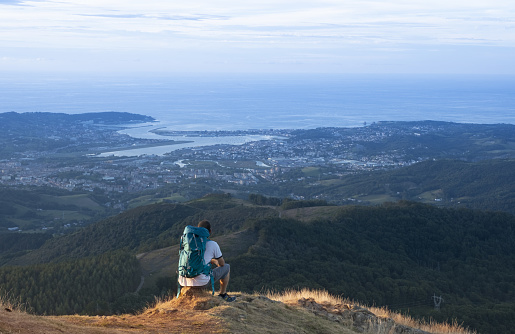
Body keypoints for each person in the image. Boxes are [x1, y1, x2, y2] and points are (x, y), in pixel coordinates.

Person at [178, 220, 235, 302]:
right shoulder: (213, 244)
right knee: (227, 267)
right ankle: (223, 294)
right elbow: (222, 264)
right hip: (201, 283)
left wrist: (211, 260)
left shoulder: (188, 242)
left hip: (183, 281)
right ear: (210, 231)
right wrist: (215, 261)